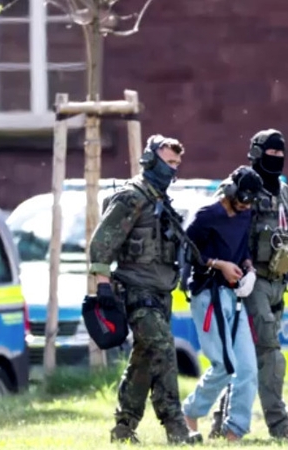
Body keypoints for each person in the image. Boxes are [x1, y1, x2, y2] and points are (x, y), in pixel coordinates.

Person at [210, 129, 288, 440]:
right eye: (270, 154)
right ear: (255, 152)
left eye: (281, 154)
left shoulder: (283, 191)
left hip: (279, 282)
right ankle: (281, 429)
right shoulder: (238, 185)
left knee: (248, 359)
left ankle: (221, 424)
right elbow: (215, 225)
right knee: (270, 355)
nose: (276, 159)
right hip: (251, 283)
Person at [87, 134, 203, 445]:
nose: (173, 169)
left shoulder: (159, 200)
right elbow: (101, 242)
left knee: (144, 357)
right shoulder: (133, 196)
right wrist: (102, 286)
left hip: (161, 291)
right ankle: (175, 426)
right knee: (164, 348)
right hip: (136, 290)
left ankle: (124, 427)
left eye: (177, 163)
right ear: (150, 161)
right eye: (168, 162)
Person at [180, 166, 263, 442]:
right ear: (230, 190)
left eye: (250, 201)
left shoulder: (246, 213)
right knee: (225, 366)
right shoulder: (207, 215)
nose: (245, 205)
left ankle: (234, 433)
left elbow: (242, 248)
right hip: (208, 295)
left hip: (234, 297)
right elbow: (186, 252)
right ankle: (190, 413)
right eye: (242, 199)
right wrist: (219, 264)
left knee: (248, 369)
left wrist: (248, 267)